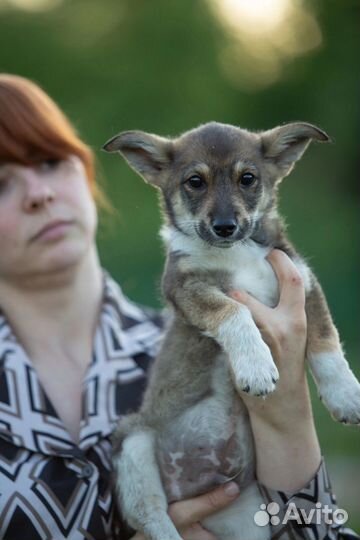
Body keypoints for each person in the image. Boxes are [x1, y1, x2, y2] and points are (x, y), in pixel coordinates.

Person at [0, 73, 357, 540]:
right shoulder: (207, 308)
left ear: (84, 170)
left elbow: (319, 532)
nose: (39, 193)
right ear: (149, 168)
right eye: (2, 181)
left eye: (50, 162)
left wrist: (289, 403)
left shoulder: (191, 342)